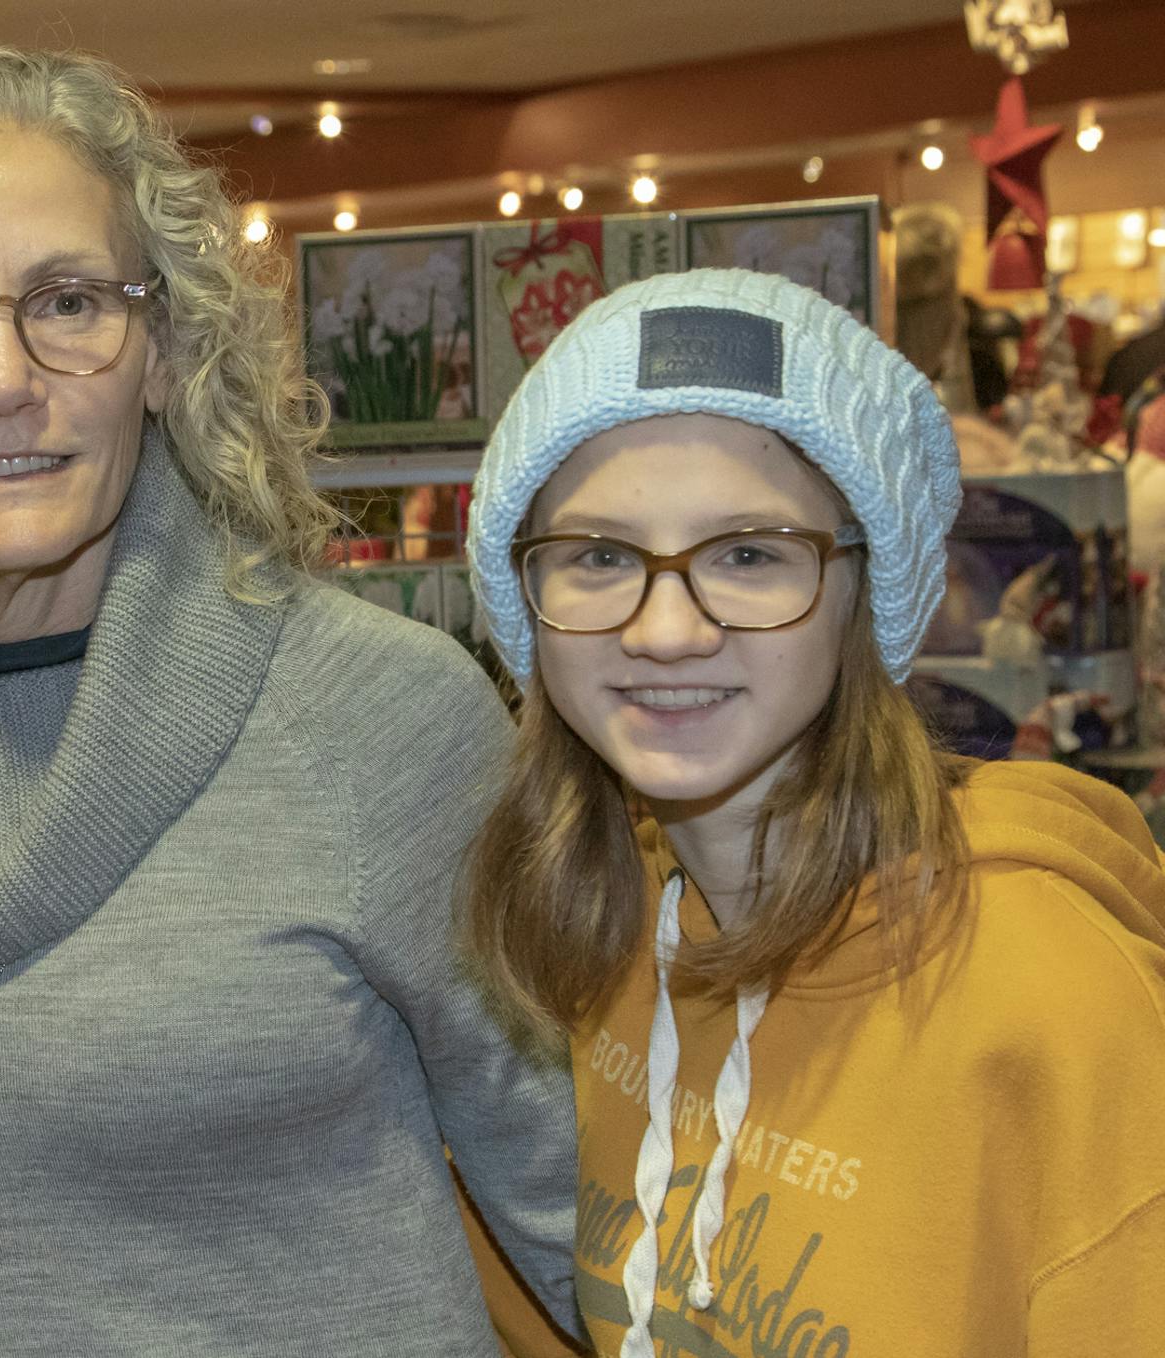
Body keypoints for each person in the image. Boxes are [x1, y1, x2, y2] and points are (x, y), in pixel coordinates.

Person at [0, 45, 582, 1357]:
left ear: (162, 350)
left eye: (68, 301)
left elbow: (594, 1224)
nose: (1, 376)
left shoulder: (375, 716)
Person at [463, 268, 1165, 1356]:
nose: (664, 628)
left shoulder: (1057, 997)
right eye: (600, 554)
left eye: (748, 554)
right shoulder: (609, 925)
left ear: (864, 590)